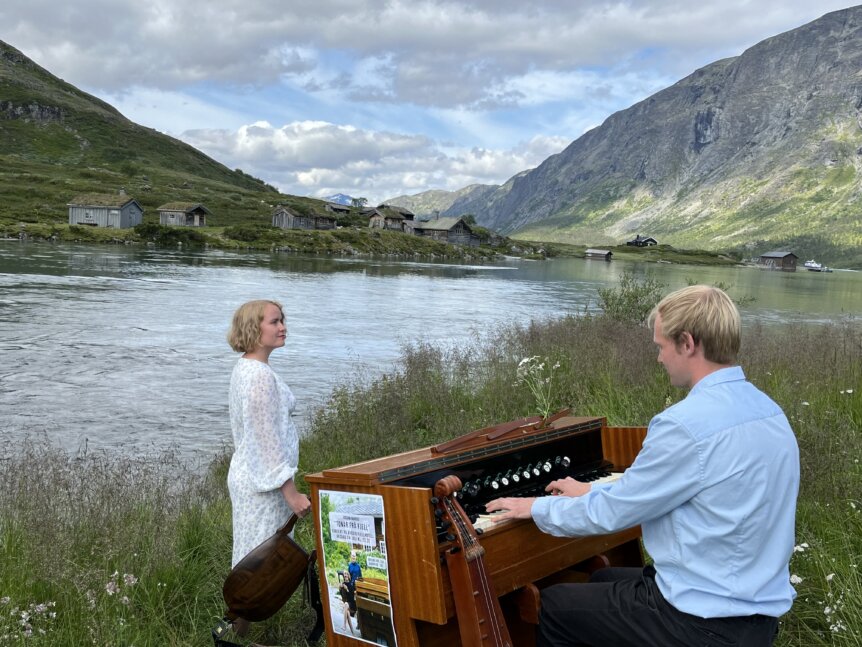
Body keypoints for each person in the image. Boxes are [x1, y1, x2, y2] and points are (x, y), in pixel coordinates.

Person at [486, 285, 800, 647]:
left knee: (555, 606)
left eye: (661, 346)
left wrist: (536, 507)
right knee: (603, 582)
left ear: (687, 343)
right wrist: (591, 487)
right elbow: (664, 489)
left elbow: (613, 514)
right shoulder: (768, 411)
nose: (659, 358)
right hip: (755, 619)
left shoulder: (684, 424)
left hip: (702, 624)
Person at [226, 300, 312, 634]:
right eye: (275, 322)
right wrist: (290, 493)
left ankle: (241, 632)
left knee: (252, 562)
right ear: (254, 329)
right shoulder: (259, 376)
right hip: (261, 485)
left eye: (283, 320)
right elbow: (266, 438)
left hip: (251, 477)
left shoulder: (246, 367)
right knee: (257, 566)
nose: (283, 327)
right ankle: (236, 631)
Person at [337, 571, 357, 635]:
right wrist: (340, 589)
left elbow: (351, 598)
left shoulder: (351, 584)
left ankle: (344, 626)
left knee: (346, 604)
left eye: (346, 574)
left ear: (348, 576)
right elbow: (342, 596)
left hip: (352, 604)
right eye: (344, 574)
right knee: (348, 617)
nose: (345, 575)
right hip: (347, 604)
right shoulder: (342, 584)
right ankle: (353, 633)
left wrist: (347, 589)